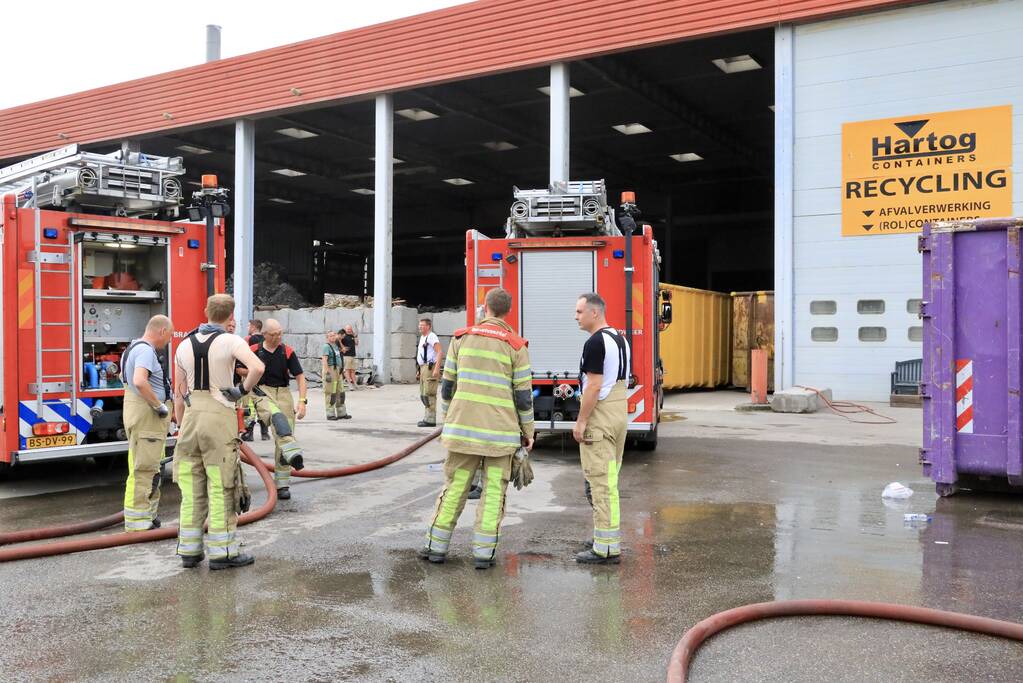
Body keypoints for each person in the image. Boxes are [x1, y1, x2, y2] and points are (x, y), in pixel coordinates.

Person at [419, 288, 534, 570]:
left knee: (456, 486)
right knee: (494, 490)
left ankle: (436, 547)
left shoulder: (462, 338)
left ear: (485, 308)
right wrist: (528, 431)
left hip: (462, 432)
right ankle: (483, 554)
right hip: (500, 436)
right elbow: (523, 396)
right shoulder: (517, 346)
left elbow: (447, 387)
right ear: (507, 312)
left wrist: (448, 420)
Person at [173, 294, 265, 569]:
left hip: (191, 419)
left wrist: (181, 426)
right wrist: (241, 390)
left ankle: (189, 552)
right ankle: (222, 553)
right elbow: (258, 367)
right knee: (222, 485)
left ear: (206, 311)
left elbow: (178, 394)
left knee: (191, 488)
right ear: (231, 316)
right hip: (218, 415)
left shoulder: (184, 344)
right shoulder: (231, 340)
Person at [572, 292, 631, 565]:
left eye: (579, 311)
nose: (576, 317)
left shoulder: (595, 342)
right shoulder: (620, 339)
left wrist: (582, 420)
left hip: (601, 417)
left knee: (599, 483)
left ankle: (605, 549)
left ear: (594, 313)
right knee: (608, 481)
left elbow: (594, 386)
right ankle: (604, 537)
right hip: (619, 414)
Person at [119, 315, 175, 532]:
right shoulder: (145, 351)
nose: (169, 341)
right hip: (147, 416)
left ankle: (147, 516)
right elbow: (140, 381)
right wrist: (159, 406)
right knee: (145, 468)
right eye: (169, 335)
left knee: (149, 465)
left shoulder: (133, 348)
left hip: (139, 414)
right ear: (161, 331)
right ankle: (139, 522)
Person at [246, 318, 307, 500]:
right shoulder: (253, 351)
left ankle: (282, 484)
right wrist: (253, 373)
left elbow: (300, 376)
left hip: (284, 393)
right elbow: (239, 369)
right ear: (264, 334)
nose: (278, 337)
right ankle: (293, 452)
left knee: (285, 435)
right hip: (262, 391)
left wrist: (302, 401)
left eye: (280, 333)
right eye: (274, 334)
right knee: (278, 420)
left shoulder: (287, 351)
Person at [241, 319, 270, 442]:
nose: (248, 327)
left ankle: (249, 432)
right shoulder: (265, 341)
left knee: (249, 405)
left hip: (250, 376)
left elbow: (242, 356)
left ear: (253, 327)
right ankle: (265, 432)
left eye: (248, 325)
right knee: (262, 403)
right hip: (263, 377)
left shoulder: (248, 339)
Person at [416, 318, 444, 427]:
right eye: (420, 325)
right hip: (423, 368)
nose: (420, 327)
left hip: (430, 368)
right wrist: (419, 370)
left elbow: (440, 352)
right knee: (424, 394)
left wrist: (437, 369)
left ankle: (431, 420)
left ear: (428, 326)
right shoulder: (423, 338)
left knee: (430, 393)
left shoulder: (431, 337)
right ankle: (427, 417)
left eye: (422, 325)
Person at [321, 330, 350, 420]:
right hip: (331, 370)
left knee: (340, 392)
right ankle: (330, 414)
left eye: (334, 335)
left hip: (338, 371)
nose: (333, 337)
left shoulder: (336, 346)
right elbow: (324, 360)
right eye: (330, 336)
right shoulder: (326, 346)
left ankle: (341, 413)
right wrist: (327, 373)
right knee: (331, 392)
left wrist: (343, 370)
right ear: (327, 338)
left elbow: (341, 355)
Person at [340, 325, 358, 390]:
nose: (349, 330)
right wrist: (343, 348)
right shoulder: (343, 336)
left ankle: (355, 384)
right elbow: (339, 342)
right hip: (346, 356)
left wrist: (355, 336)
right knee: (347, 370)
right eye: (348, 329)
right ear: (345, 329)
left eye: (350, 329)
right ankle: (349, 384)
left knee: (353, 370)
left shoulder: (352, 336)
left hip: (353, 355)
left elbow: (356, 343)